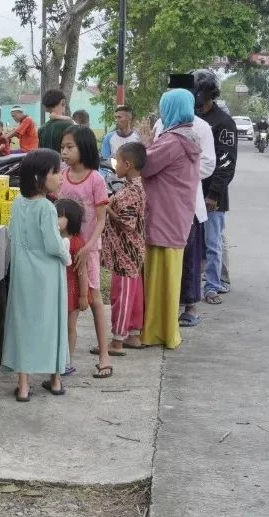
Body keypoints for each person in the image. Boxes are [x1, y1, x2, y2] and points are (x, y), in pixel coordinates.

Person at [1, 149, 70, 400]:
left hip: (22, 273)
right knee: (51, 324)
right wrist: (67, 249)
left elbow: (12, 234)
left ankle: (23, 385)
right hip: (47, 275)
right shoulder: (47, 208)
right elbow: (53, 245)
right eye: (56, 172)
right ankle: (55, 379)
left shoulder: (19, 203)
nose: (61, 177)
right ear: (40, 177)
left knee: (24, 323)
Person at [149, 73, 216, 328]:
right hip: (162, 202)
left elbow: (208, 163)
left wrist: (179, 175)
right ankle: (164, 307)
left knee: (189, 257)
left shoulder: (201, 127)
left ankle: (190, 307)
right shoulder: (160, 125)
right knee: (165, 256)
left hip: (188, 201)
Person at [141, 89, 201, 349]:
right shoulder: (189, 136)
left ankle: (155, 332)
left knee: (157, 278)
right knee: (169, 276)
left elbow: (144, 165)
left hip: (163, 215)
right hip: (177, 214)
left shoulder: (172, 141)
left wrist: (144, 143)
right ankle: (166, 329)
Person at [58, 125, 113, 378]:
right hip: (64, 251)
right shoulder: (61, 176)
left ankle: (104, 354)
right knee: (67, 302)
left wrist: (88, 247)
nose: (64, 152)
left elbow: (101, 221)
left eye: (70, 147)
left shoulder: (96, 179)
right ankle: (63, 357)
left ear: (85, 148)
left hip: (88, 251)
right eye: (62, 147)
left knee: (94, 300)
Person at [192, 69, 237, 306]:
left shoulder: (224, 122)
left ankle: (213, 286)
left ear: (207, 93)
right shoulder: (190, 117)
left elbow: (226, 163)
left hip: (212, 194)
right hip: (190, 190)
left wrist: (213, 194)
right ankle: (193, 285)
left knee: (213, 242)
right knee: (193, 242)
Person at [98, 142, 147, 356]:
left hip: (125, 253)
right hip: (132, 252)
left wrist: (107, 208)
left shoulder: (131, 191)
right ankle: (133, 335)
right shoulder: (134, 186)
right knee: (134, 293)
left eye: (117, 160)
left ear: (127, 165)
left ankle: (117, 340)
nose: (114, 164)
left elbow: (127, 223)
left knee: (122, 295)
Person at [55, 199, 88, 377]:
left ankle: (68, 360)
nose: (56, 219)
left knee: (70, 327)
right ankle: (56, 358)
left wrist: (84, 296)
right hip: (55, 292)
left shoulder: (77, 243)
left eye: (60, 216)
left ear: (72, 220)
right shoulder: (53, 240)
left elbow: (82, 272)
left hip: (72, 292)